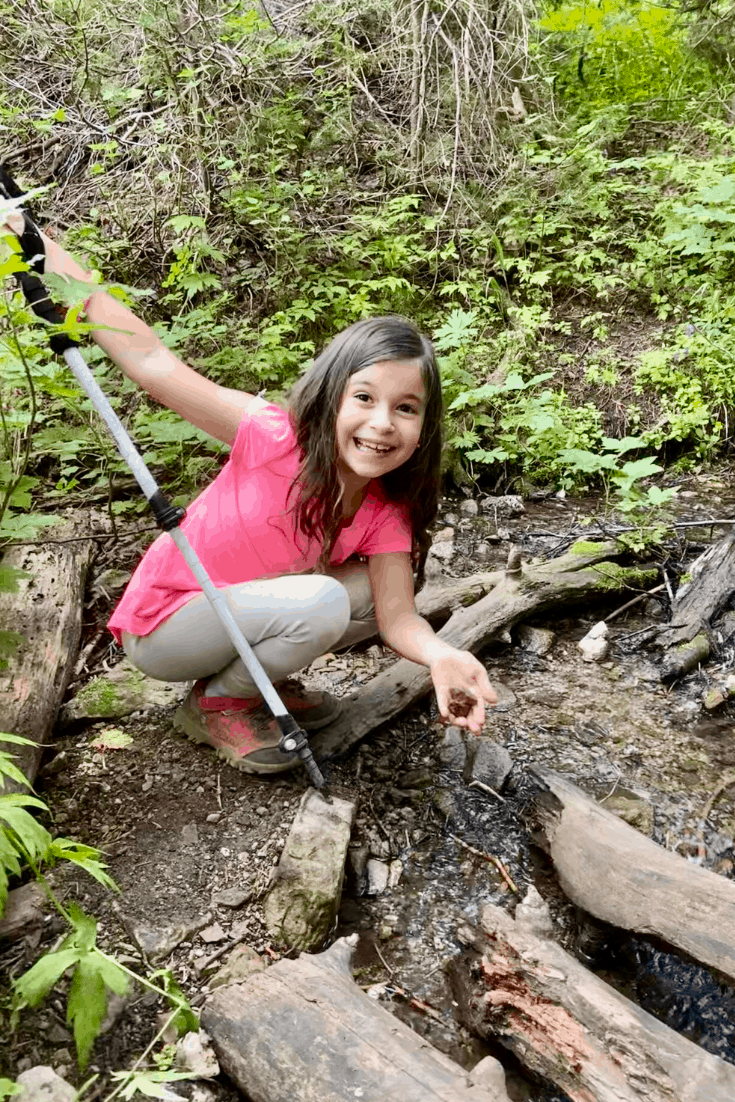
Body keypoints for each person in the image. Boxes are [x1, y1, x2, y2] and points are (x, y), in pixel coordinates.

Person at [1, 211, 497, 774]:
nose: (383, 423)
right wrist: (40, 247)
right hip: (168, 625)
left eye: (405, 408)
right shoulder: (273, 436)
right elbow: (152, 360)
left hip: (249, 609)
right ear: (331, 396)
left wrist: (443, 655)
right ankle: (219, 703)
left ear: (424, 426)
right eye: (364, 398)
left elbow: (398, 617)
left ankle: (258, 683)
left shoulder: (387, 510)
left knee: (361, 597)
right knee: (327, 602)